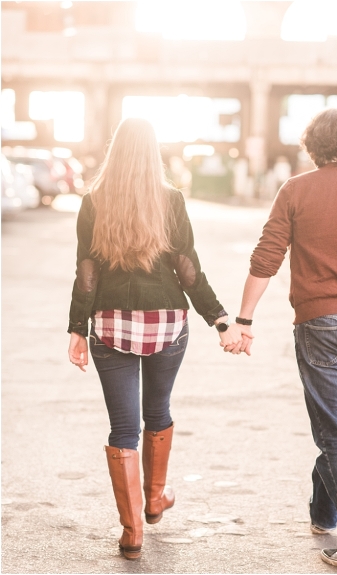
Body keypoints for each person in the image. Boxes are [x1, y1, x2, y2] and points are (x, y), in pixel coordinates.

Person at [67, 118, 241, 560]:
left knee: (123, 428)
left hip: (109, 324)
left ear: (115, 152)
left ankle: (132, 533)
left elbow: (86, 272)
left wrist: (76, 330)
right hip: (166, 323)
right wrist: (220, 319)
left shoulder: (94, 201)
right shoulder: (171, 200)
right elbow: (187, 269)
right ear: (152, 153)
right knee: (157, 411)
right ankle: (155, 500)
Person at [228, 108, 337, 568]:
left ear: (312, 146)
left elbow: (266, 257)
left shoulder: (296, 189)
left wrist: (245, 319)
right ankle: (323, 512)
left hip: (320, 324)